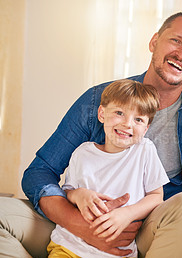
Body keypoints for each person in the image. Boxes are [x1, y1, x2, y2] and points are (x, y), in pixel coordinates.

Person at [0, 12, 182, 258]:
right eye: (176, 41)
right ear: (154, 41)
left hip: (146, 230)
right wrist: (82, 226)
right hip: (77, 226)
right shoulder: (99, 99)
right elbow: (39, 173)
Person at [47, 80, 170, 257]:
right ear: (102, 114)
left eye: (138, 119)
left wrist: (127, 214)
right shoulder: (83, 153)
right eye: (119, 113)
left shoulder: (145, 150)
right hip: (70, 246)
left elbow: (156, 196)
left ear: (146, 128)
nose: (128, 124)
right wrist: (79, 194)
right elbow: (68, 192)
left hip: (117, 252)